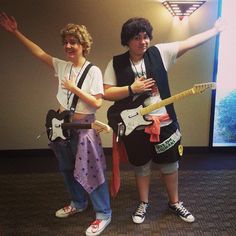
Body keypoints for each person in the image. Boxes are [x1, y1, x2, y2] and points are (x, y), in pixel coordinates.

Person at [103, 17, 223, 224]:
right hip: (135, 126)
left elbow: (189, 43)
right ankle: (143, 203)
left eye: (146, 37)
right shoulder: (116, 63)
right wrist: (131, 89)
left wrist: (214, 31)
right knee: (141, 166)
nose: (143, 42)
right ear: (127, 40)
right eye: (137, 38)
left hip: (165, 122)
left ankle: (175, 202)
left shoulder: (160, 53)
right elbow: (106, 93)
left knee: (170, 165)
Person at [0, 12, 111, 236]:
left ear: (83, 45)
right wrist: (16, 32)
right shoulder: (62, 66)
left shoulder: (93, 71)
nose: (69, 46)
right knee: (67, 168)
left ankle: (103, 214)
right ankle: (78, 203)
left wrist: (74, 89)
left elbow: (98, 103)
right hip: (61, 127)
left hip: (83, 129)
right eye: (66, 42)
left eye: (74, 42)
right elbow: (39, 52)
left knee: (91, 170)